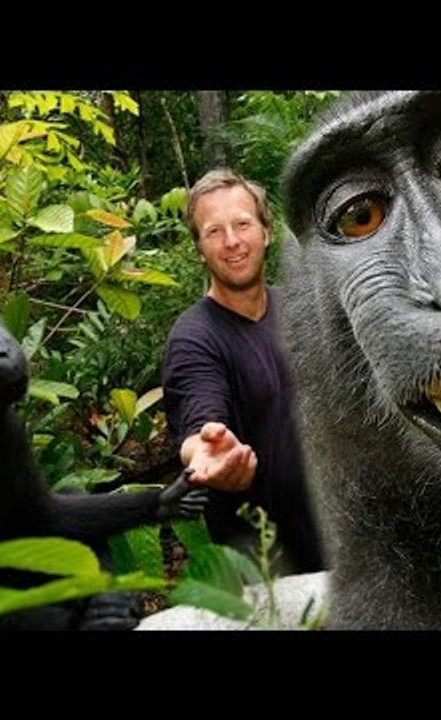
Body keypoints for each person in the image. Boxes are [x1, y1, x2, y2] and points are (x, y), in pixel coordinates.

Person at [161, 168, 325, 575]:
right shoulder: (194, 338)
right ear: (199, 248)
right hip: (267, 569)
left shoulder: (301, 310)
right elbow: (200, 424)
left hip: (341, 541)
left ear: (266, 231)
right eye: (214, 231)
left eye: (242, 224)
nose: (232, 241)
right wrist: (206, 454)